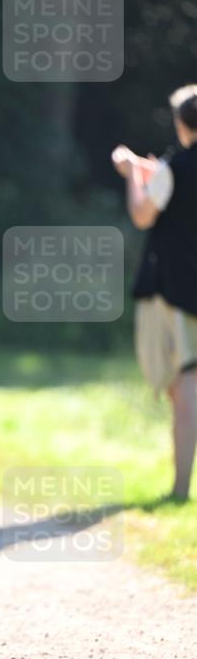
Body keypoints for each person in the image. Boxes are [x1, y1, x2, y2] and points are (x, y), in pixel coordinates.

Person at [112, 84, 197, 501]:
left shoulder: (176, 166)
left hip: (176, 290)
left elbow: (143, 215)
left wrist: (133, 177)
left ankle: (180, 489)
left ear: (183, 124)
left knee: (183, 388)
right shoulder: (170, 168)